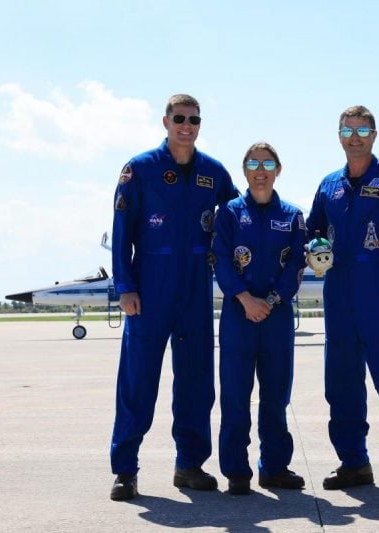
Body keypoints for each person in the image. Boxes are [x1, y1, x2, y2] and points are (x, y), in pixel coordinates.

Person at [109, 93, 238, 501]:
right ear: (165, 122)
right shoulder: (140, 169)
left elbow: (241, 218)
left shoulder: (214, 173)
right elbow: (121, 232)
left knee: (197, 381)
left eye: (194, 120)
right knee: (138, 381)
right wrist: (125, 286)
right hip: (150, 287)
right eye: (180, 118)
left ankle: (190, 465)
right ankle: (125, 470)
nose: (187, 126)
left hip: (196, 287)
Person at [306, 105, 379, 498]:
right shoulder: (329, 185)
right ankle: (353, 462)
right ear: (338, 136)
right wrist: (313, 248)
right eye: (347, 131)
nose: (354, 138)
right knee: (341, 385)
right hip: (338, 295)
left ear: (374, 135)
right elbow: (313, 230)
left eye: (361, 131)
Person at [212, 142, 308, 495]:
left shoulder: (293, 216)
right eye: (253, 164)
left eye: (267, 164)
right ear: (245, 171)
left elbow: (296, 263)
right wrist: (245, 299)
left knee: (276, 396)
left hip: (276, 315)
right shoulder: (229, 213)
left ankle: (275, 468)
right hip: (238, 315)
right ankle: (237, 471)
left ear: (278, 170)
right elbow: (221, 259)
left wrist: (269, 301)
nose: (260, 170)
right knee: (235, 396)